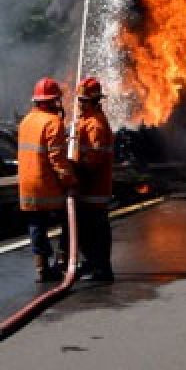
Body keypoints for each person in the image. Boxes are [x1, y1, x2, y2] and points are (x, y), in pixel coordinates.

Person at [17, 77, 77, 283]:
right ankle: (62, 261)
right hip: (47, 184)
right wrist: (69, 180)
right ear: (52, 101)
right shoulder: (53, 122)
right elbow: (57, 158)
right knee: (68, 221)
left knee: (36, 225)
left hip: (27, 185)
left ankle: (41, 267)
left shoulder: (25, 122)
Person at [73, 77, 115, 283]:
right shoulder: (87, 121)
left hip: (95, 188)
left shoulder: (95, 125)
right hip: (89, 188)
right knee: (89, 229)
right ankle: (93, 263)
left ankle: (101, 269)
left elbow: (94, 160)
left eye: (83, 101)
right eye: (79, 100)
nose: (79, 104)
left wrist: (75, 168)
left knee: (96, 229)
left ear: (94, 101)